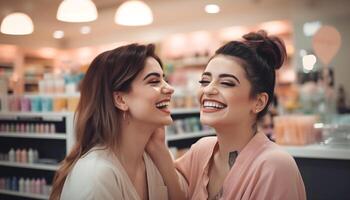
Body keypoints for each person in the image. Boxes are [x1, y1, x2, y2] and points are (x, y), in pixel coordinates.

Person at [173, 30, 306, 199]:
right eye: (205, 81)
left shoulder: (275, 166)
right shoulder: (202, 150)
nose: (207, 89)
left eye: (227, 83)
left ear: (258, 102)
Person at [50, 43, 186, 200]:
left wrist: (161, 151)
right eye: (154, 81)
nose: (170, 88)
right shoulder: (95, 176)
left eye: (164, 79)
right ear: (120, 99)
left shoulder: (154, 158)